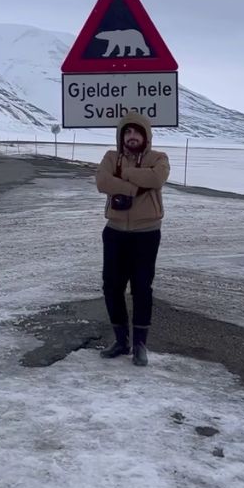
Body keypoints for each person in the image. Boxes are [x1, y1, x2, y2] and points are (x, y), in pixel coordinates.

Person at [94, 112, 171, 366]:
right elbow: (102, 182)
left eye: (137, 132)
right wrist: (132, 185)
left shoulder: (158, 158)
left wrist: (124, 174)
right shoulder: (110, 157)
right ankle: (120, 340)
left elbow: (157, 178)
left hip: (146, 233)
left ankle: (140, 344)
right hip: (115, 231)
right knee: (112, 286)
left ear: (146, 136)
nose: (132, 136)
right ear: (121, 135)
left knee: (141, 288)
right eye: (127, 132)